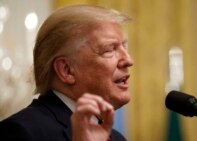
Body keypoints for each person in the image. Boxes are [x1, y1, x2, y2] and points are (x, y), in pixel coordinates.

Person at [0, 4, 134, 141]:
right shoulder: (20, 132)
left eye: (124, 47)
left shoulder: (117, 138)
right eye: (109, 50)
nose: (129, 60)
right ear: (67, 70)